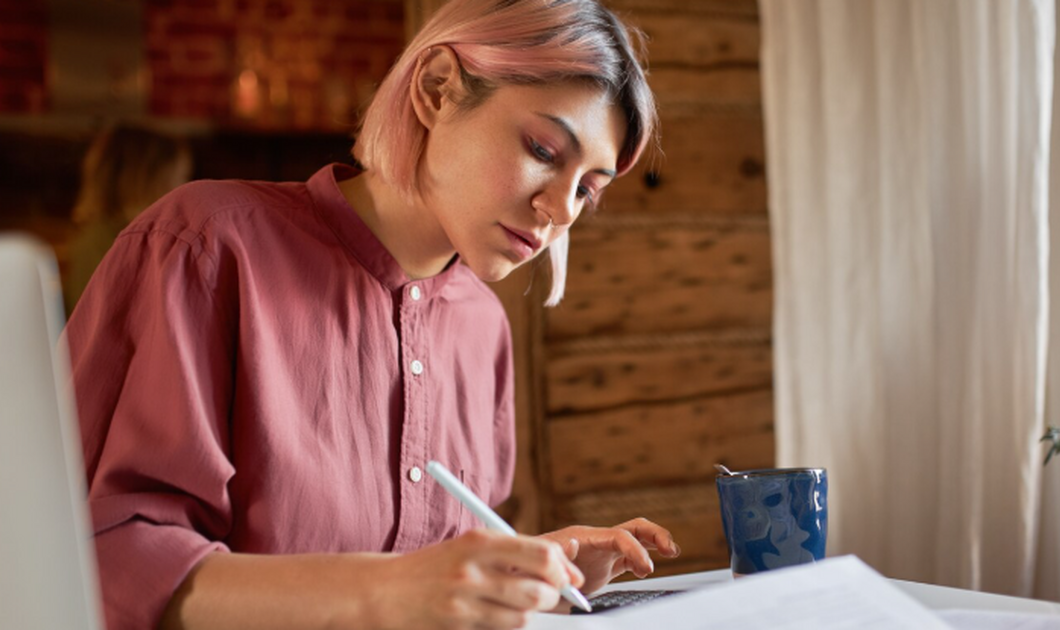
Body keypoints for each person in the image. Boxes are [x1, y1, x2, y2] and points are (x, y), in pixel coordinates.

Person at [63, 1, 679, 629]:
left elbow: (428, 582)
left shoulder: (480, 327)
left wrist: (524, 576)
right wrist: (384, 591)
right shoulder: (205, 246)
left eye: (587, 189)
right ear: (437, 89)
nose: (562, 210)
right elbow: (101, 559)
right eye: (544, 149)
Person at [64, 123, 192, 316]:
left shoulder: (139, 241)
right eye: (180, 177)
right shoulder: (103, 245)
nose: (184, 188)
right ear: (147, 182)